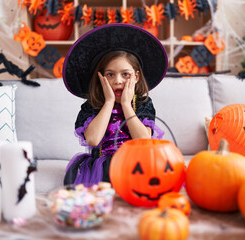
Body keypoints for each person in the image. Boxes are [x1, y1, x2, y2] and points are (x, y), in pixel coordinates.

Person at [62, 23, 168, 186]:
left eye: (125, 74)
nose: (117, 81)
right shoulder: (92, 105)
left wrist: (126, 104)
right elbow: (93, 139)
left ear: (136, 76)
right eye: (110, 74)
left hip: (136, 164)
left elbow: (144, 139)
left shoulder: (142, 103)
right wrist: (109, 102)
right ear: (101, 78)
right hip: (103, 167)